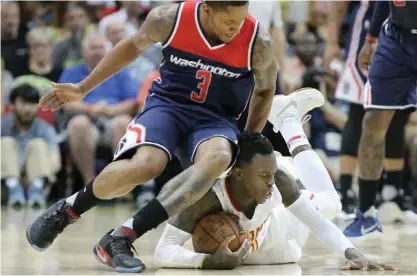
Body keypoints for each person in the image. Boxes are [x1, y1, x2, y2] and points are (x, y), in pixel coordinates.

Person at [27, 1, 282, 272]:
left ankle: (122, 237)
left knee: (219, 156)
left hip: (216, 119)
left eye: (241, 20)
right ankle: (67, 210)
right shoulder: (169, 19)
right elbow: (132, 46)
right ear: (207, 10)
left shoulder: (258, 42)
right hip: (167, 106)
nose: (237, 28)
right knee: (147, 164)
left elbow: (266, 89)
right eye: (230, 22)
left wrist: (249, 139)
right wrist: (83, 88)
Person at [153, 117, 395, 271]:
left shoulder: (278, 179)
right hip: (275, 254)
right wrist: (206, 262)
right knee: (294, 253)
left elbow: (318, 223)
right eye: (263, 177)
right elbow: (163, 249)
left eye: (272, 174)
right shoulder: (207, 198)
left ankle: (290, 123)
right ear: (237, 173)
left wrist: (354, 254)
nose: (271, 183)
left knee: (332, 204)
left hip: (282, 228)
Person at [325, 1, 414, 222]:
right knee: (363, 111)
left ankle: (392, 192)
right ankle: (346, 192)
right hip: (377, 24)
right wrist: (333, 42)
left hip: (400, 26)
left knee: (398, 116)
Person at [59, 32, 138, 186]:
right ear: (83, 52)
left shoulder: (121, 71)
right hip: (85, 118)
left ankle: (119, 183)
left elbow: (133, 102)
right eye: (93, 48)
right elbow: (64, 101)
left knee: (124, 122)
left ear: (108, 51)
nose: (97, 52)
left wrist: (110, 111)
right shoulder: (71, 72)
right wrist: (89, 109)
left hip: (113, 117)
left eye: (101, 48)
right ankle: (90, 182)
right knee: (79, 124)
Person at [1, 84, 60, 207]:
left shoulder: (45, 129)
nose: (28, 108)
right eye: (23, 103)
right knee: (5, 142)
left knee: (38, 144)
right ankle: (14, 187)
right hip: (4, 185)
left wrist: (43, 175)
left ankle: (35, 189)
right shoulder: (2, 125)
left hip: (36, 184)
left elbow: (55, 160)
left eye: (32, 104)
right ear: (12, 104)